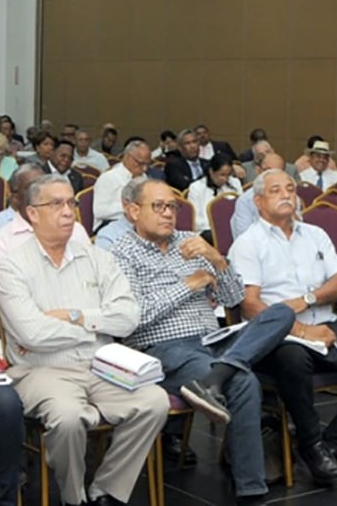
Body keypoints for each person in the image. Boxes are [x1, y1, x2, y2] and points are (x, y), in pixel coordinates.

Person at [112, 178, 294, 504]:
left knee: (280, 314)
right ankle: (252, 491)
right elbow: (132, 318)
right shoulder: (121, 254)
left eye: (173, 207)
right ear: (132, 210)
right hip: (166, 348)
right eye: (159, 206)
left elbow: (233, 298)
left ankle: (217, 375)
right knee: (245, 382)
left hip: (215, 339)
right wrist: (189, 284)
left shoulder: (191, 242)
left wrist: (218, 261)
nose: (169, 214)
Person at [0, 174, 167, 506]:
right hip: (39, 371)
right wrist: (98, 326)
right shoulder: (12, 267)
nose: (67, 211)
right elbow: (32, 334)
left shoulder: (97, 258)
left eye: (71, 202)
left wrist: (77, 316)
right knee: (69, 417)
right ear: (32, 213)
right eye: (55, 203)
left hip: (100, 365)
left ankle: (107, 492)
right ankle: (74, 498)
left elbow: (129, 317)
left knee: (154, 401)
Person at [228, 169, 337, 487]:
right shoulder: (247, 244)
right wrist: (301, 330)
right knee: (293, 360)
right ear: (258, 201)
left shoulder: (315, 234)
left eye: (290, 189)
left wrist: (308, 299)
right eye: (276, 190)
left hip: (325, 323)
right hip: (278, 337)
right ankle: (310, 443)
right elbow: (250, 305)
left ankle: (330, 443)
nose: (286, 195)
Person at [92, 140, 152, 232]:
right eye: (140, 163)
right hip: (111, 224)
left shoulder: (144, 178)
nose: (144, 168)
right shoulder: (108, 178)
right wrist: (130, 207)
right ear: (128, 157)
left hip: (138, 223)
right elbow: (99, 211)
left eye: (147, 164)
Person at [186, 153, 242, 244]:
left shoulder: (235, 183)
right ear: (211, 171)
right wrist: (218, 226)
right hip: (207, 229)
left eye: (228, 175)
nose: (225, 179)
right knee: (215, 236)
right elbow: (194, 219)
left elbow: (241, 209)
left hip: (232, 227)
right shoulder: (196, 187)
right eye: (221, 175)